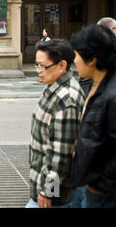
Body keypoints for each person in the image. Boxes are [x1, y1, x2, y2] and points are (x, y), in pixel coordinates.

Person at [70, 25, 116, 208]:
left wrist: (99, 185)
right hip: (85, 184)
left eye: (77, 56)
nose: (74, 61)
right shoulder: (95, 86)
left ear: (93, 59)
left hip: (106, 194)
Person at [26, 39, 85, 208]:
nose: (38, 71)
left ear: (62, 65)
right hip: (42, 185)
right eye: (36, 65)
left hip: (55, 197)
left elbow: (61, 155)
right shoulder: (53, 86)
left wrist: (48, 192)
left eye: (43, 66)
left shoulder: (66, 99)